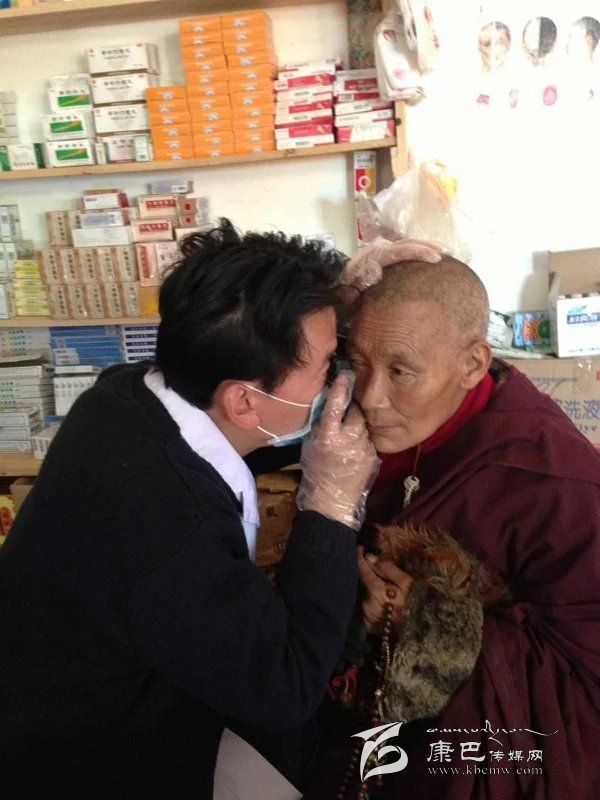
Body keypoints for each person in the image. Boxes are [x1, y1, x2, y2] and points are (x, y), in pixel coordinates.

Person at [0, 220, 388, 800]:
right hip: (83, 761)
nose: (345, 382)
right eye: (328, 366)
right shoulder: (172, 534)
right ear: (244, 400)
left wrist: (340, 300)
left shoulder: (122, 394)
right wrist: (330, 507)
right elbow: (286, 687)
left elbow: (232, 441)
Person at [309, 255, 600, 799]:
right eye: (359, 364)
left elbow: (584, 671)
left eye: (401, 372)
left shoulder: (550, 478)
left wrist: (426, 621)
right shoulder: (368, 429)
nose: (370, 398)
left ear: (472, 364)